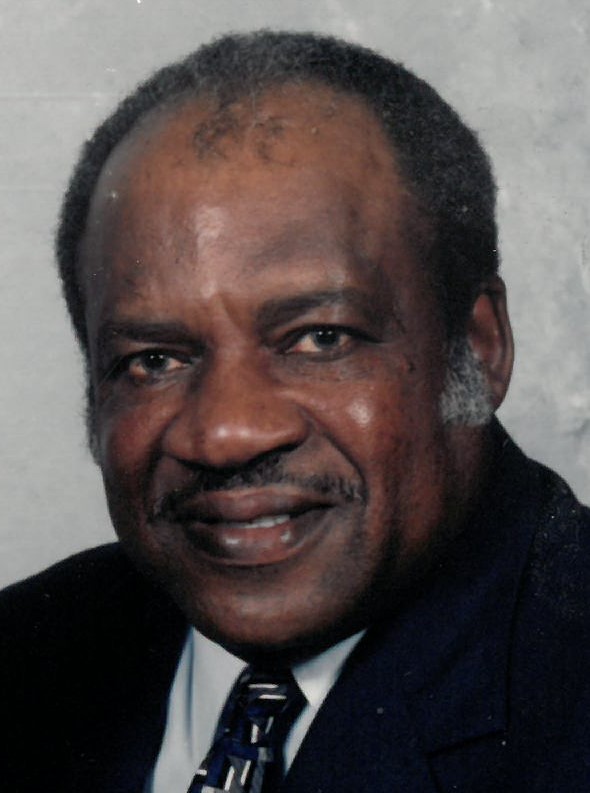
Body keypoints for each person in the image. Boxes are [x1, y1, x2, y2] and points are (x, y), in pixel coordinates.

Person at [1, 30, 589, 793]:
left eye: (319, 337)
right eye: (155, 360)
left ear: (478, 349)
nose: (226, 433)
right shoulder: (23, 656)